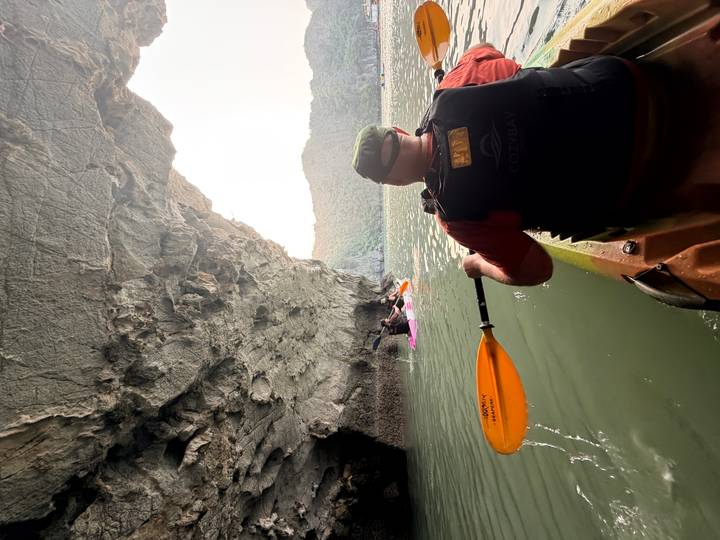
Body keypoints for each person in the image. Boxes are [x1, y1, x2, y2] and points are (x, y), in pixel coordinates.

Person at [352, 44, 668, 286]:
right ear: (400, 132)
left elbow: (538, 270)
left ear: (393, 183)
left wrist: (477, 265)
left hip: (629, 179)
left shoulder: (455, 219)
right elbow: (484, 48)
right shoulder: (452, 87)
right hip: (625, 81)